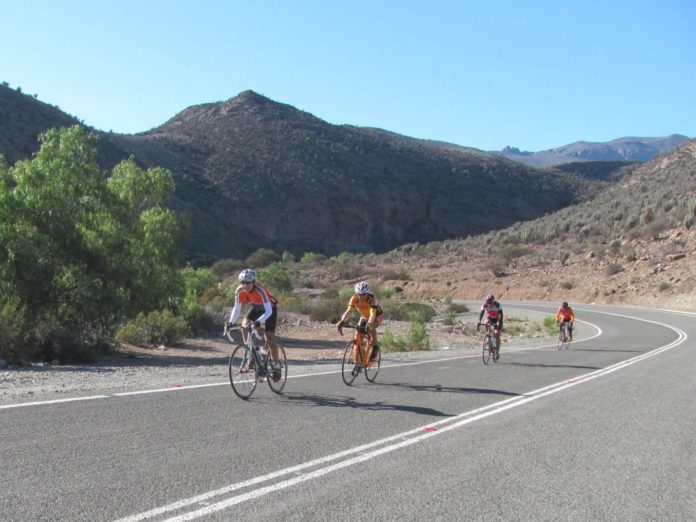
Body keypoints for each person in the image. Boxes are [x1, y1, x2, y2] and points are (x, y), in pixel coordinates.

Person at [227, 268, 282, 380]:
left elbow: (268, 311)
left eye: (248, 283)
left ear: (253, 282)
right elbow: (236, 310)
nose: (245, 285)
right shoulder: (239, 291)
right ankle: (251, 354)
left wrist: (258, 322)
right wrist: (230, 322)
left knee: (269, 336)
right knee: (244, 326)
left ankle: (276, 365)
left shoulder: (260, 290)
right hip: (256, 307)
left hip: (269, 308)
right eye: (243, 283)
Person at [336, 281, 383, 360]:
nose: (362, 297)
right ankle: (361, 358)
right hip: (364, 317)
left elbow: (372, 314)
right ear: (357, 294)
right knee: (357, 337)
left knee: (371, 328)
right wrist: (342, 321)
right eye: (359, 294)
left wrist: (369, 324)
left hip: (377, 317)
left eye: (364, 294)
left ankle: (375, 348)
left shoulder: (371, 299)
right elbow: (348, 311)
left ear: (367, 293)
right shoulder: (354, 298)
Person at [477, 293, 503, 359]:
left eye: (490, 303)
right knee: (486, 322)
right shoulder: (485, 304)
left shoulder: (497, 305)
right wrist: (479, 321)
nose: (489, 304)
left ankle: (497, 351)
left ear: (493, 301)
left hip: (497, 319)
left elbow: (500, 315)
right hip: (490, 318)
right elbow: (482, 312)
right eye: (487, 303)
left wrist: (498, 323)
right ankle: (489, 335)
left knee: (497, 334)